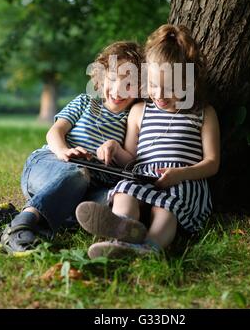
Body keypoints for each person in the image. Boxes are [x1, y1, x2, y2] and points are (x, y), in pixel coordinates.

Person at [76, 24, 220, 258]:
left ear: (189, 83)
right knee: (124, 190)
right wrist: (114, 147)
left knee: (166, 207)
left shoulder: (203, 113)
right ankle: (121, 231)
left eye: (170, 88)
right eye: (153, 86)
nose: (160, 95)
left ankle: (150, 247)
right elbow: (130, 159)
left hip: (183, 182)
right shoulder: (140, 111)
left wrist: (181, 174)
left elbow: (212, 162)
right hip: (144, 176)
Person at [0, 41, 146, 253]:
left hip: (90, 185)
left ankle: (21, 216)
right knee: (77, 173)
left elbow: (129, 161)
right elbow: (55, 132)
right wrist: (63, 151)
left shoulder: (132, 117)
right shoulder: (85, 102)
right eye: (113, 79)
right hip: (51, 165)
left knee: (117, 201)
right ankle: (19, 226)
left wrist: (115, 147)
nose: (118, 89)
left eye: (129, 84)